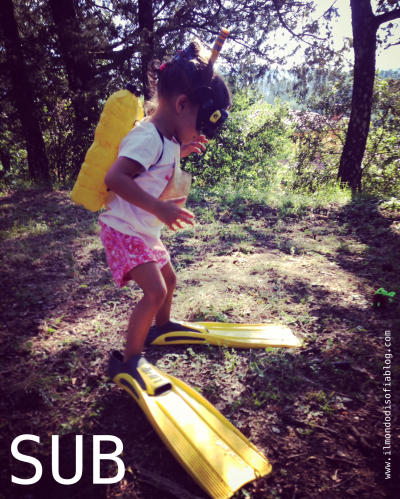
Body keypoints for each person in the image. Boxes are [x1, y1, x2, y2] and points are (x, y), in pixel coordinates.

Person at [100, 41, 232, 374]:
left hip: (143, 230)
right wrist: (159, 209)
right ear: (182, 104)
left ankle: (162, 327)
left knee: (169, 280)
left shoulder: (168, 137)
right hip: (124, 230)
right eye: (200, 124)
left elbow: (155, 164)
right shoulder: (147, 136)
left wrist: (182, 151)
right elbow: (115, 178)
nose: (200, 132)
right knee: (155, 291)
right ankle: (129, 361)